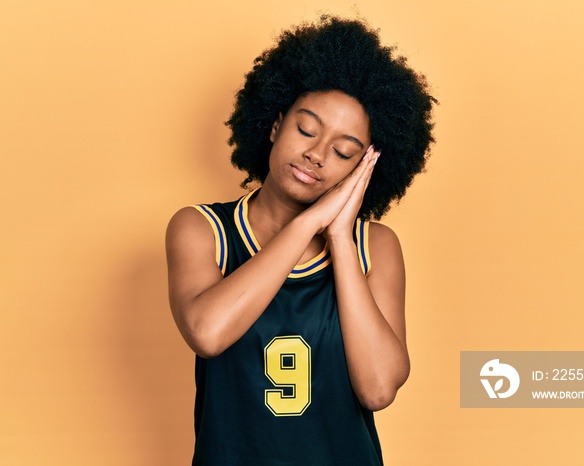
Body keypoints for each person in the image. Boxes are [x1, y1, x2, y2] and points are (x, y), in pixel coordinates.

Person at [166, 15, 435, 465]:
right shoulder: (200, 228)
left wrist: (341, 241)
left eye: (344, 151)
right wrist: (307, 224)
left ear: (361, 169)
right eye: (306, 129)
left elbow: (378, 388)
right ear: (274, 126)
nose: (316, 153)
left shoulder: (375, 247)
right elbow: (208, 334)